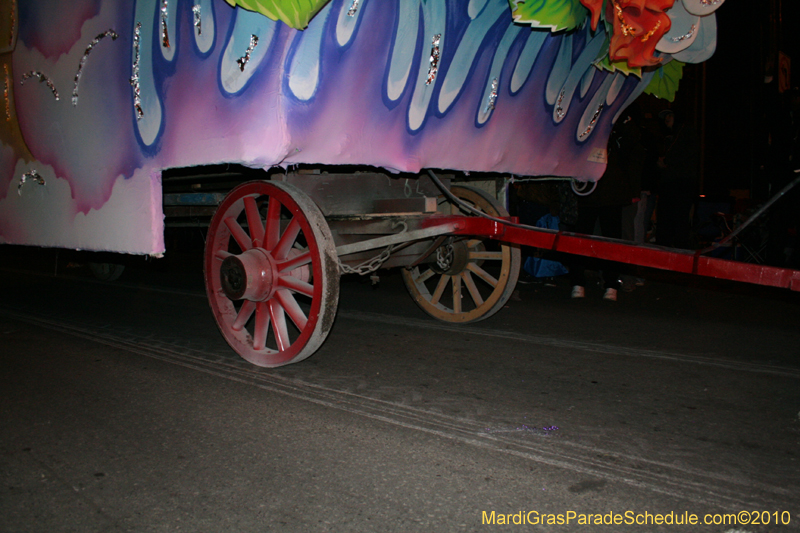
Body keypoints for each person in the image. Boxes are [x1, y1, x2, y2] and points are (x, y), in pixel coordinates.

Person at [570, 110, 645, 301]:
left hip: (611, 192)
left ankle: (611, 284)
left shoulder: (620, 120)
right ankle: (578, 282)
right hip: (587, 190)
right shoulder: (587, 115)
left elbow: (633, 145)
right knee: (581, 238)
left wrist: (619, 117)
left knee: (612, 239)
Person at [655, 110, 700, 249]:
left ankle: (679, 253)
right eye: (665, 117)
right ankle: (664, 251)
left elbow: (687, 152)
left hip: (681, 183)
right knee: (665, 220)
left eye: (670, 115)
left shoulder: (686, 132)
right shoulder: (667, 136)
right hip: (669, 183)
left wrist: (666, 160)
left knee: (679, 220)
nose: (667, 119)